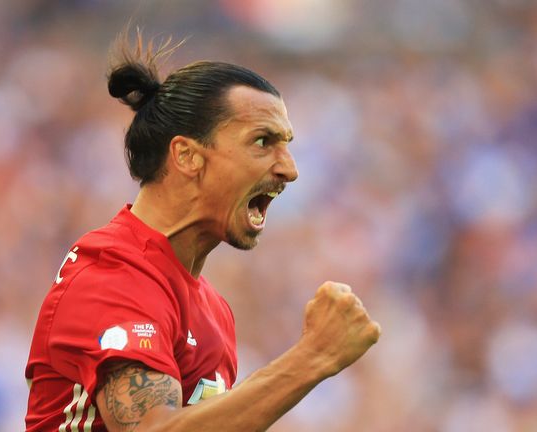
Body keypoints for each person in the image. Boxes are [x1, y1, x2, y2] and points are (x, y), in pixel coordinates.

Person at [25, 33, 381, 432]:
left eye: (287, 145)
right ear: (187, 156)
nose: (290, 169)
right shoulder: (112, 274)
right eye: (263, 142)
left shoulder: (212, 310)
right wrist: (313, 357)